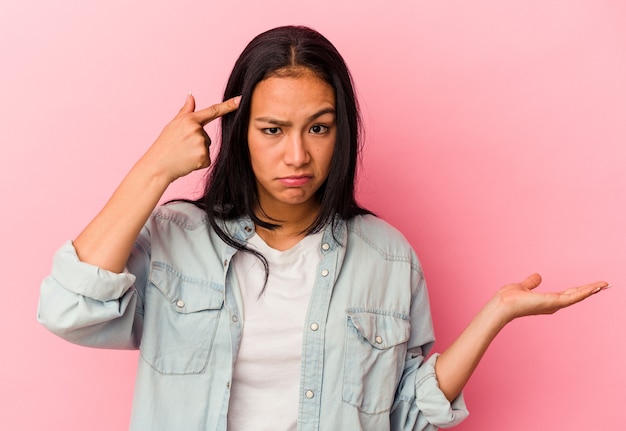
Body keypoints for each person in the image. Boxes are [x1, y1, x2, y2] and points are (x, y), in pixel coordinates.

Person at [37, 25, 609, 431]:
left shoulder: (387, 256)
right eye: (272, 129)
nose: (296, 156)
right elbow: (69, 311)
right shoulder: (176, 239)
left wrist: (496, 314)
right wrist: (154, 169)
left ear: (342, 132)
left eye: (318, 128)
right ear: (238, 132)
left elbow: (406, 414)